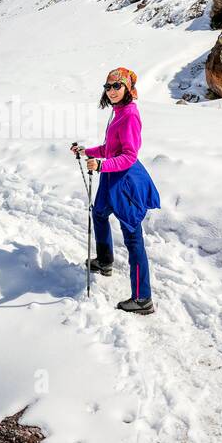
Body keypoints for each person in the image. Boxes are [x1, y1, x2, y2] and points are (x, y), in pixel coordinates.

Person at [71, 67, 161, 315]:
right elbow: (111, 148)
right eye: (108, 87)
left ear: (128, 89)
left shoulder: (130, 115)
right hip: (111, 178)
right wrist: (87, 152)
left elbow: (129, 156)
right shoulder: (118, 111)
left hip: (126, 183)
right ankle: (104, 261)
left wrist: (101, 165)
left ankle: (143, 298)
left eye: (116, 86)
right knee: (99, 214)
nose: (111, 91)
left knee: (133, 238)